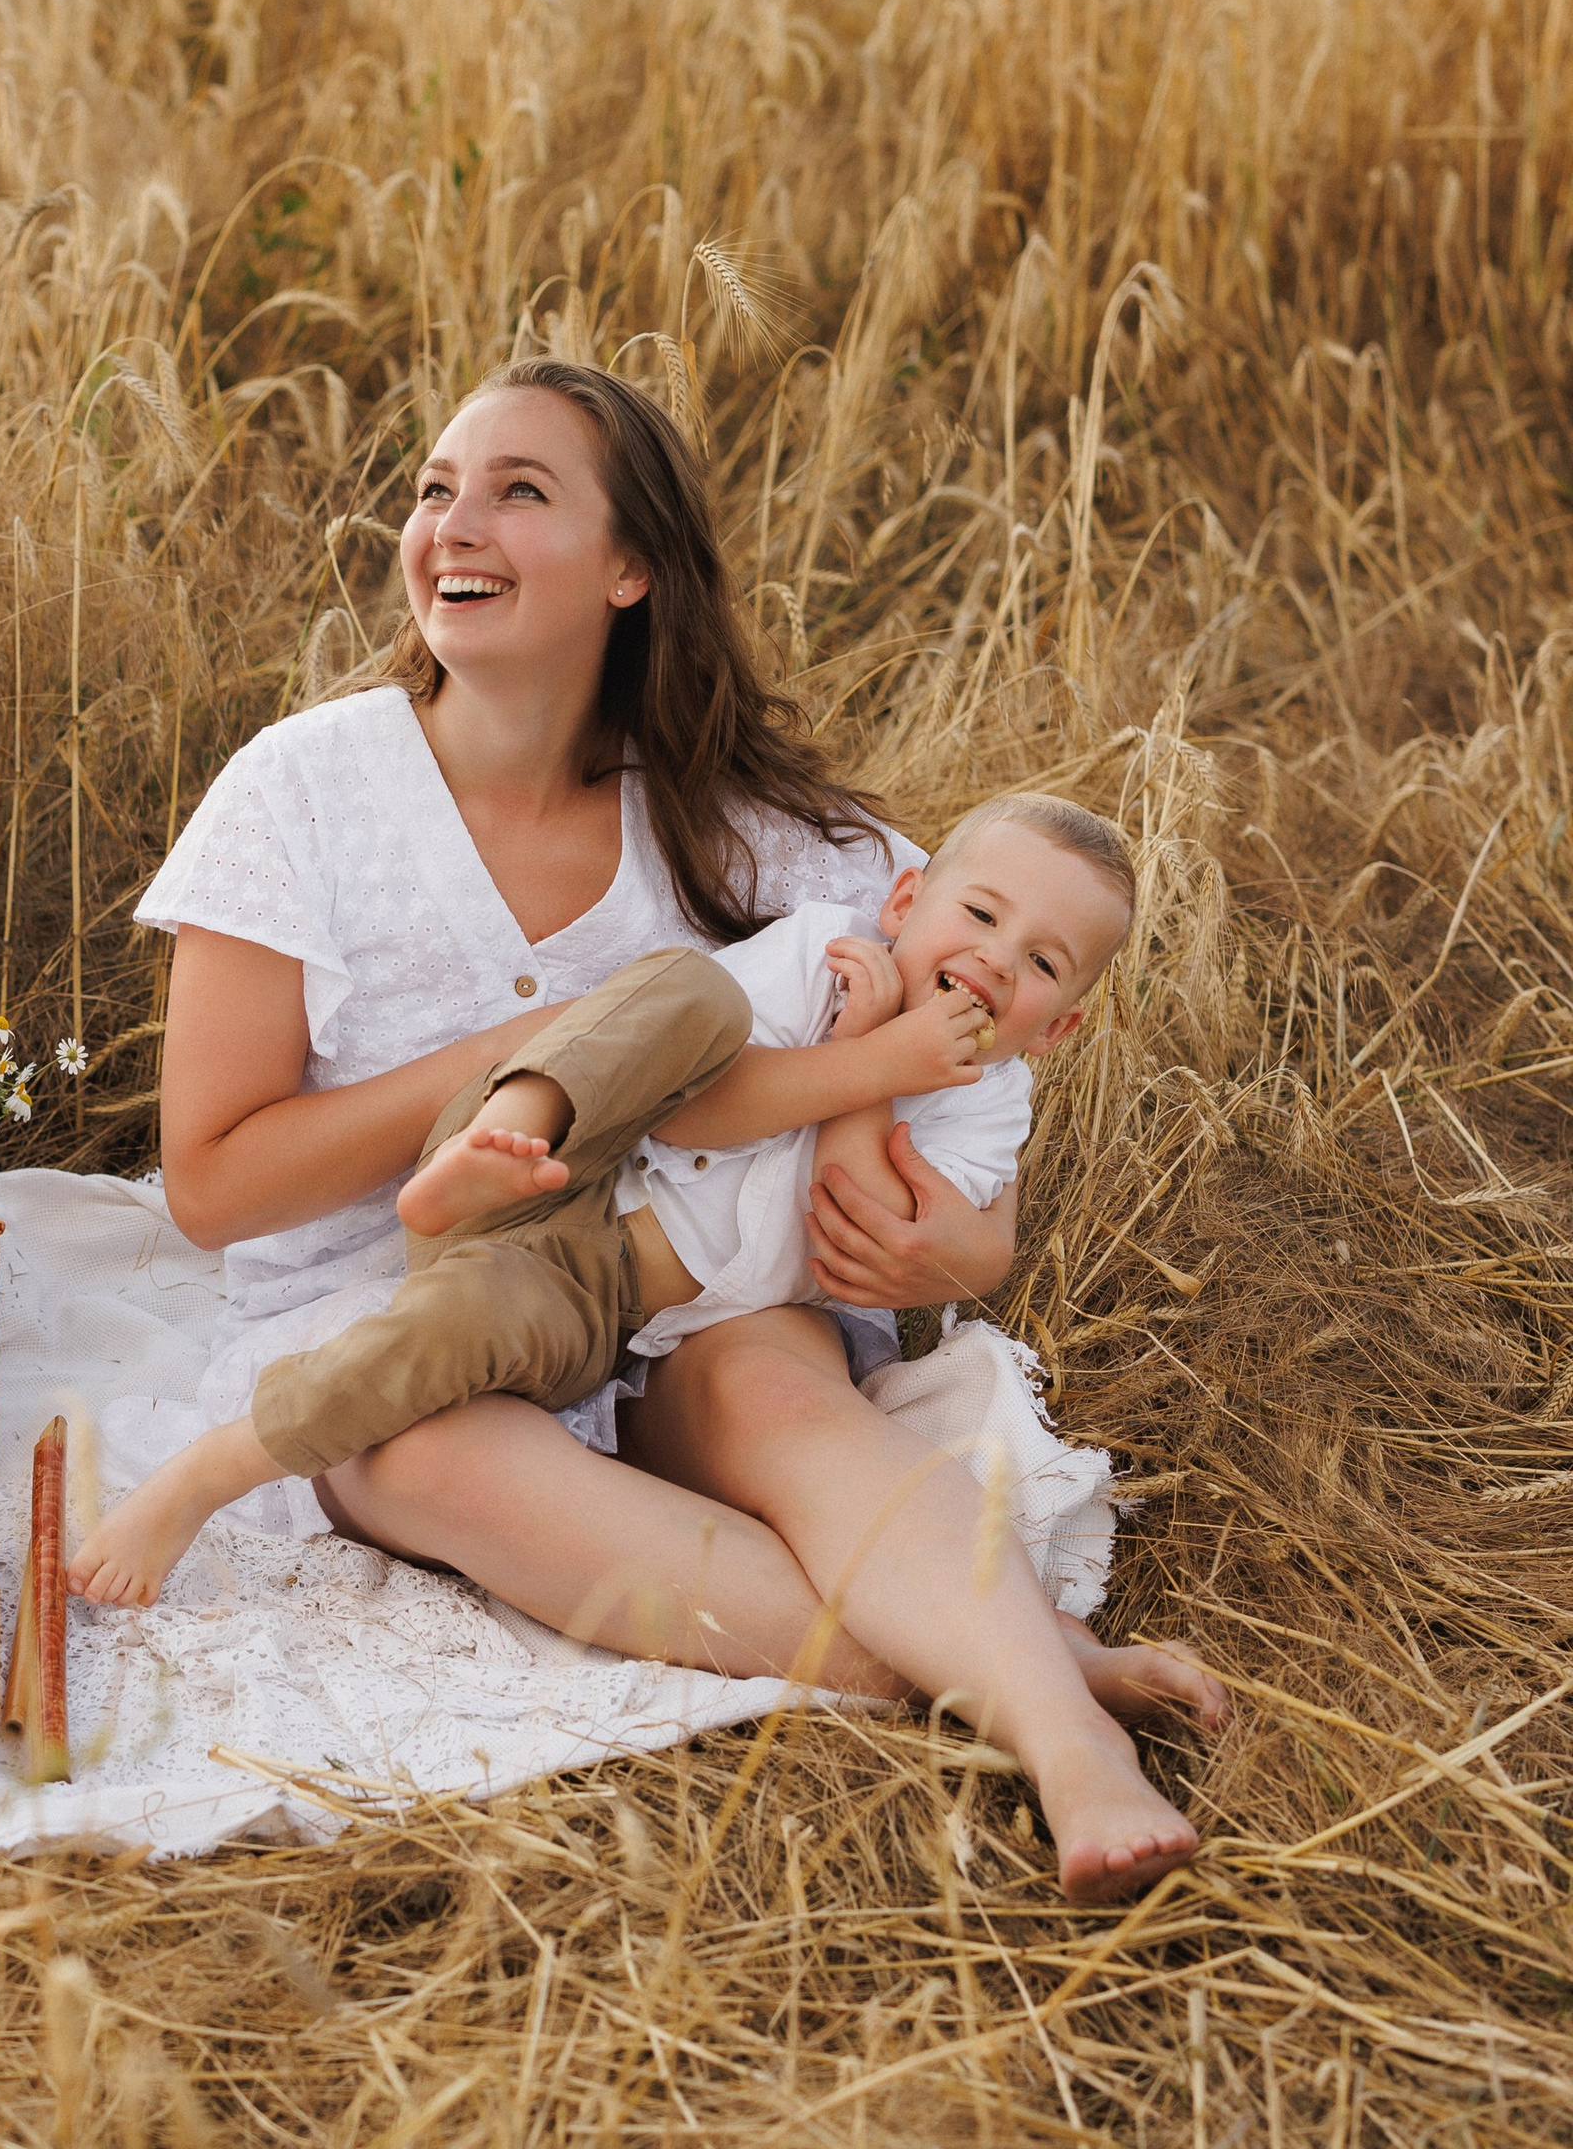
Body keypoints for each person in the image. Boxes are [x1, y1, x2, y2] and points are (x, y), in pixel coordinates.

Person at [113, 358, 1223, 1902]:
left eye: (518, 490)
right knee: (415, 1440)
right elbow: (214, 1184)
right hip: (405, 1299)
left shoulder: (766, 829)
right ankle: (1024, 1665)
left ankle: (1073, 1753)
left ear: (632, 567)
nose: (453, 523)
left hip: (692, 1304)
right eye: (435, 488)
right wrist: (525, 1055)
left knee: (777, 1380)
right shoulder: (301, 791)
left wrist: (966, 1245)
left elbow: (971, 1002)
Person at [71, 794, 1123, 1599]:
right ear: (904, 903)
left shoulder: (988, 1109)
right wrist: (868, 1050)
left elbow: (858, 1220)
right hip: (566, 1157)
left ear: (1059, 1027)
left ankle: (209, 1472)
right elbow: (689, 1111)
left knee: (444, 1333)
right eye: (979, 914)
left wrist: (875, 1061)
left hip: (588, 1289)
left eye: (1041, 962)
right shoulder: (825, 952)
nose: (994, 960)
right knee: (688, 989)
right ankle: (496, 1137)